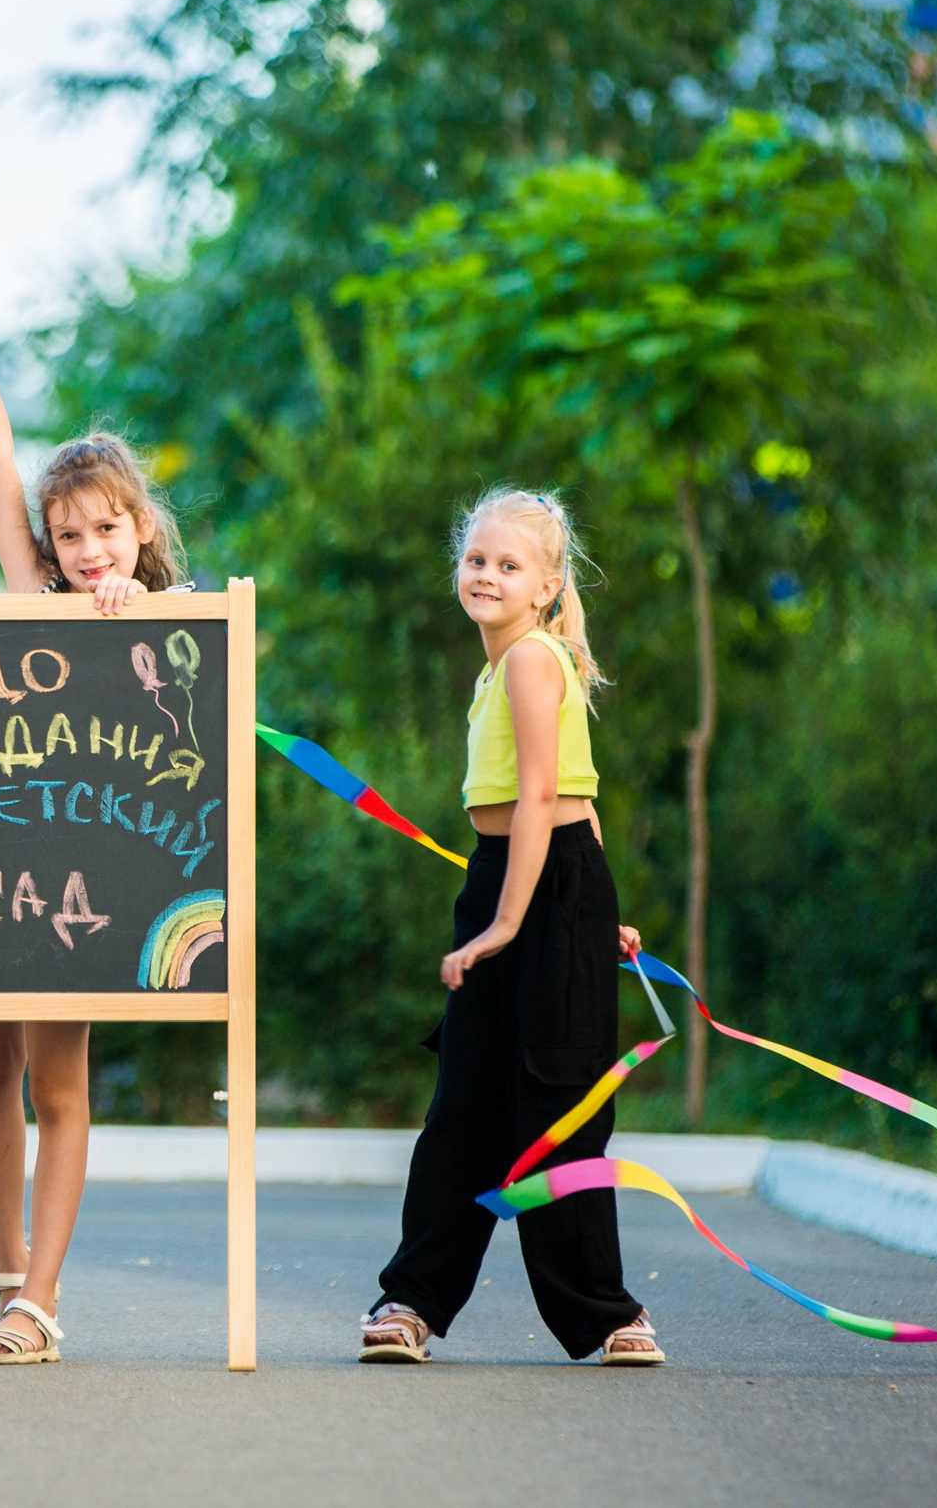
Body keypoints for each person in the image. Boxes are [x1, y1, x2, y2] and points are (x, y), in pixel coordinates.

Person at [0, 245, 191, 1364]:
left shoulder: (170, 618)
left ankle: (40, 1299)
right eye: (69, 534)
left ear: (140, 529)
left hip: (88, 866)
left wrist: (134, 605)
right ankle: (5, 1271)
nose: (87, 553)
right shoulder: (32, 593)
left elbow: (184, 730)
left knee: (58, 1074)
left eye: (106, 532)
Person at [357, 488, 663, 1367]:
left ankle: (606, 1315)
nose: (486, 574)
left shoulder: (531, 659)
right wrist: (588, 908)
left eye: (508, 563)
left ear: (547, 585)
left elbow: (546, 797)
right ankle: (411, 1300)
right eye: (476, 559)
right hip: (525, 877)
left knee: (560, 1111)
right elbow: (570, 791)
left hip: (539, 887)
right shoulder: (502, 668)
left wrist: (514, 926)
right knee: (464, 1106)